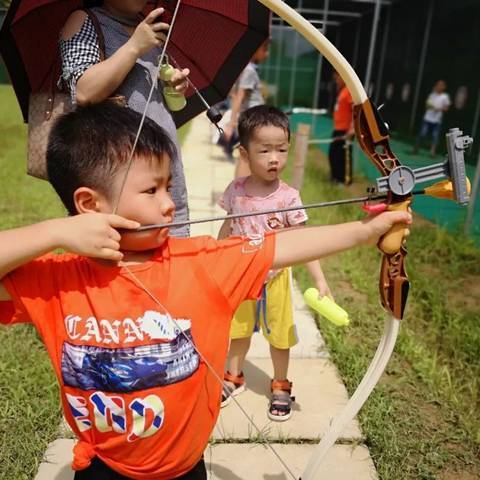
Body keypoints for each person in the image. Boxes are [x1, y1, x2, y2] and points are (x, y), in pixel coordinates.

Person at [0, 102, 411, 479]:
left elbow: (283, 246)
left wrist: (367, 230)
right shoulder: (56, 280)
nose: (168, 204)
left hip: (184, 469)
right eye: (151, 190)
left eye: (168, 186)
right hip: (102, 468)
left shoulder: (201, 262)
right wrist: (55, 231)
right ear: (89, 205)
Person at [217, 105, 332, 421]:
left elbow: (304, 242)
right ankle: (233, 375)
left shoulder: (288, 197)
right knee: (238, 330)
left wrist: (319, 280)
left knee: (280, 335)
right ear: (244, 153)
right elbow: (227, 227)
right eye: (264, 150)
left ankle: (280, 383)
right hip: (241, 274)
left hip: (276, 278)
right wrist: (215, 258)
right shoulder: (236, 192)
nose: (274, 158)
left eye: (281, 150)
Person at [60, 1, 191, 237]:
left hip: (165, 177)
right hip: (118, 181)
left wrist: (172, 86)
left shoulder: (149, 25)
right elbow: (84, 91)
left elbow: (150, 95)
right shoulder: (84, 19)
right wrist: (134, 46)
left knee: (173, 258)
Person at [220, 40, 269, 175]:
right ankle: (241, 191)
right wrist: (231, 123)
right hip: (254, 119)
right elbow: (239, 96)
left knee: (247, 155)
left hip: (251, 118)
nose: (267, 53)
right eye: (265, 49)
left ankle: (241, 189)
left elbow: (236, 94)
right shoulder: (249, 71)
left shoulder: (245, 69)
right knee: (248, 157)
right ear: (256, 50)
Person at [412, 80, 451, 158]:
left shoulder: (445, 97)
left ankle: (432, 152)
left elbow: (446, 108)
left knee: (435, 136)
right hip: (427, 118)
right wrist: (431, 106)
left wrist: (439, 109)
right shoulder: (432, 95)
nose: (439, 86)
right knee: (422, 134)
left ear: (444, 87)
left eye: (441, 85)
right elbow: (427, 105)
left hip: (437, 120)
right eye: (438, 85)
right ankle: (416, 148)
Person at [329, 71, 354, 185]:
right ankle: (335, 178)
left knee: (342, 156)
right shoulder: (342, 91)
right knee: (333, 154)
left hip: (345, 131)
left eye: (337, 78)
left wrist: (352, 129)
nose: (336, 80)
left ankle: (343, 180)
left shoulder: (349, 91)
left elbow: (355, 111)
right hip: (338, 129)